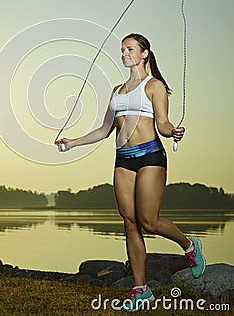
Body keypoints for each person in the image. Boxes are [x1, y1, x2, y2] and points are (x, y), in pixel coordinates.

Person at [55, 33, 205, 311]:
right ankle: (141, 289)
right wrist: (72, 142)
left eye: (130, 49)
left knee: (149, 222)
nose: (124, 53)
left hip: (150, 155)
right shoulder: (116, 91)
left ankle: (189, 245)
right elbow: (104, 130)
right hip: (122, 160)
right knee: (129, 222)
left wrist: (174, 131)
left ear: (144, 53)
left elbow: (162, 123)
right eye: (122, 49)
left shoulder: (154, 86)